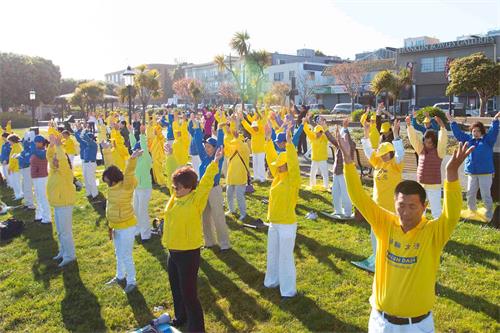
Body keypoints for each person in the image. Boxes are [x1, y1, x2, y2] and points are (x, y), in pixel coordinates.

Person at [337, 125, 474, 333]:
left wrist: (452, 174)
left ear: (424, 207)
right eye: (401, 206)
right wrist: (348, 162)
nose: (406, 212)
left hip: (417, 326)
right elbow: (359, 198)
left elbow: (452, 214)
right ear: (394, 204)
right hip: (381, 323)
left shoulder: (433, 233)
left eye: (412, 206)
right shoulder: (385, 224)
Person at [162, 144, 224, 332]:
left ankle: (197, 329)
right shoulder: (175, 196)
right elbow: (173, 173)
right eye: (174, 186)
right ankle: (181, 317)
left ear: (189, 187)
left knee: (189, 294)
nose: (175, 189)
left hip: (188, 253)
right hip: (172, 252)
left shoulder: (196, 200)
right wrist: (171, 155)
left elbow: (205, 183)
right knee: (176, 289)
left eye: (179, 187)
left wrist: (215, 162)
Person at [361, 120, 404, 271]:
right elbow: (368, 150)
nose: (383, 157)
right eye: (382, 154)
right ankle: (377, 257)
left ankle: (391, 258)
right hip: (377, 205)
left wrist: (397, 134)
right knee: (374, 233)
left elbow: (400, 153)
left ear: (391, 152)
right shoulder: (378, 162)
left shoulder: (396, 164)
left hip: (391, 208)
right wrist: (366, 133)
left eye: (386, 154)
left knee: (391, 234)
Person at [263, 125, 301, 298]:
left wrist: (290, 145)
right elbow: (272, 157)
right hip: (274, 223)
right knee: (272, 254)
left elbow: (293, 164)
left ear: (286, 166)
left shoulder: (293, 179)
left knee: (285, 258)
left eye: (280, 166)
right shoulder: (278, 177)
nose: (277, 168)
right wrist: (268, 140)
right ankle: (272, 281)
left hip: (287, 224)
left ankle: (288, 290)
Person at [448, 111, 499, 221]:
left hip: (485, 173)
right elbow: (458, 134)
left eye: (478, 131)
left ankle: (489, 214)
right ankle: (471, 211)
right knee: (470, 193)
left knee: (486, 195)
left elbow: (494, 131)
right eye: (473, 131)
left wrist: (495, 119)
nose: (475, 133)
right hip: (472, 172)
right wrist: (452, 121)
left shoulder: (488, 140)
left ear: (482, 132)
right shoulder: (468, 140)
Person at [103, 149, 142, 293]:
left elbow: (129, 173)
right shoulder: (112, 187)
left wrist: (132, 159)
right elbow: (109, 165)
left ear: (114, 179)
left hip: (126, 226)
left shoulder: (126, 186)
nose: (108, 184)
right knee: (118, 253)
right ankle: (120, 276)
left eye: (108, 182)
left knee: (126, 254)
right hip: (115, 226)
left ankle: (131, 281)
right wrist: (106, 149)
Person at [193, 119, 230, 250]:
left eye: (209, 147)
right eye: (206, 147)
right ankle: (209, 242)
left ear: (215, 149)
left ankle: (224, 244)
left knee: (218, 216)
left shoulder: (217, 160)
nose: (206, 149)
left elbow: (220, 143)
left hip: (214, 190)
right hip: (203, 190)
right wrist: (197, 127)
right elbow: (198, 143)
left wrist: (220, 129)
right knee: (205, 217)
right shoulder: (204, 159)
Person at [406, 115, 448, 219]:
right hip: (421, 185)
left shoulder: (439, 152)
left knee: (436, 211)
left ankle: (437, 231)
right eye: (424, 141)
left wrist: (442, 127)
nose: (426, 144)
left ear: (434, 143)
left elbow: (443, 142)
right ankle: (422, 228)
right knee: (420, 210)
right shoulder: (421, 150)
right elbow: (414, 139)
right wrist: (409, 126)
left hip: (434, 187)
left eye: (429, 142)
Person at [47, 134, 77, 267]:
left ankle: (70, 255)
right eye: (55, 159)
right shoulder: (54, 170)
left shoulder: (65, 171)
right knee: (60, 231)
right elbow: (49, 157)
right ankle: (63, 251)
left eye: (56, 159)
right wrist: (51, 145)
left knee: (65, 232)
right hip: (57, 205)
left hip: (65, 204)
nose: (54, 160)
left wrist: (59, 148)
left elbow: (62, 160)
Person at [323, 117, 356, 218]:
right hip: (337, 172)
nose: (340, 138)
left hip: (344, 172)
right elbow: (335, 139)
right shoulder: (341, 143)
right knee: (335, 192)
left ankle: (347, 212)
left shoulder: (349, 145)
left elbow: (335, 139)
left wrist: (326, 129)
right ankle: (338, 210)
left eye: (342, 137)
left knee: (345, 193)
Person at [129, 125, 153, 242]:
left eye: (136, 151)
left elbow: (143, 145)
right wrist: (130, 133)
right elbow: (134, 143)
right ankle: (138, 229)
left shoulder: (146, 158)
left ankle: (146, 234)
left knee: (142, 211)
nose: (134, 152)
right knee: (136, 209)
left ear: (142, 151)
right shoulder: (136, 159)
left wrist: (142, 134)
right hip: (137, 188)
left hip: (145, 188)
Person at [225, 126, 250, 221]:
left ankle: (243, 213)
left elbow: (241, 146)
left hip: (240, 177)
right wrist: (228, 133)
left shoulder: (245, 147)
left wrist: (236, 139)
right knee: (229, 194)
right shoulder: (232, 148)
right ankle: (231, 209)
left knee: (240, 196)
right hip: (231, 176)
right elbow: (227, 144)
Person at [302, 116, 329, 189]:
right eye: (315, 132)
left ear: (321, 132)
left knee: (325, 173)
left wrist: (324, 124)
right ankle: (312, 185)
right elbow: (307, 131)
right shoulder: (313, 136)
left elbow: (327, 132)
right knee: (312, 173)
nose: (316, 134)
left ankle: (326, 186)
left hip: (322, 159)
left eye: (317, 133)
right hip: (314, 159)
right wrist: (304, 123)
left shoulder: (324, 138)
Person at [30, 135, 52, 224]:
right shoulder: (36, 151)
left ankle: (47, 218)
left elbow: (40, 155)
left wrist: (32, 146)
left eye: (36, 142)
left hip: (42, 178)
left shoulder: (44, 151)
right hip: (36, 178)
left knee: (43, 198)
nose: (34, 144)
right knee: (38, 197)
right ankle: (39, 216)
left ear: (41, 143)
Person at [240, 113, 267, 183]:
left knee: (261, 164)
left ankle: (262, 178)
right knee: (255, 164)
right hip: (254, 150)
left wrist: (260, 114)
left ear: (258, 126)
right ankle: (256, 177)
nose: (254, 128)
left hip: (261, 150)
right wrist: (242, 119)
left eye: (255, 127)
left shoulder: (262, 131)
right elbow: (246, 126)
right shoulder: (252, 131)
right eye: (253, 127)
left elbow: (263, 122)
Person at [18, 131, 35, 209]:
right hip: (23, 171)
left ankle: (31, 204)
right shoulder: (23, 151)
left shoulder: (29, 151)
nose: (21, 143)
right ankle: (27, 202)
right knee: (24, 187)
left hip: (28, 170)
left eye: (22, 142)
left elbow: (28, 161)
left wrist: (20, 158)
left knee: (28, 187)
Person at [7, 134, 23, 200]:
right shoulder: (15, 147)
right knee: (16, 182)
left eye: (9, 141)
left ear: (12, 141)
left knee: (16, 182)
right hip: (15, 168)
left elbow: (14, 160)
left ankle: (19, 195)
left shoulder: (16, 148)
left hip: (15, 168)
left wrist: (10, 168)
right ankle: (18, 194)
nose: (9, 142)